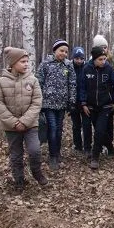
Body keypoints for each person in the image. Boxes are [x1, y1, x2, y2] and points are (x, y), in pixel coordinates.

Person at [0, 47, 48, 194]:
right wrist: (14, 122)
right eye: (22, 61)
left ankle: (37, 173)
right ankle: (19, 181)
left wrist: (24, 121)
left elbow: (37, 102)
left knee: (35, 150)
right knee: (16, 155)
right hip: (11, 127)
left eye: (27, 61)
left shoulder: (33, 80)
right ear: (13, 63)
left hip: (30, 125)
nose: (26, 64)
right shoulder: (1, 82)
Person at [80, 46, 114, 169]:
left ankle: (95, 157)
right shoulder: (86, 69)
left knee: (99, 131)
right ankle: (110, 148)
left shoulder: (109, 69)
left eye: (104, 59)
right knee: (100, 131)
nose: (103, 62)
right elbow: (82, 87)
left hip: (105, 106)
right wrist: (83, 103)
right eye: (100, 59)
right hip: (91, 107)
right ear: (94, 59)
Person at [37, 39, 76, 170]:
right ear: (55, 51)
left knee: (59, 130)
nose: (64, 53)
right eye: (61, 51)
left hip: (62, 104)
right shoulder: (45, 64)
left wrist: (72, 101)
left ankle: (57, 153)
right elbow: (39, 83)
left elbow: (72, 84)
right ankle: (52, 156)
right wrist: (39, 102)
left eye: (66, 51)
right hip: (48, 104)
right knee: (52, 129)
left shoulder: (68, 65)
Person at [93, 34, 114, 153]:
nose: (104, 50)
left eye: (105, 47)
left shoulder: (112, 62)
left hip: (109, 99)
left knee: (109, 124)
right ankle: (101, 145)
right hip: (96, 100)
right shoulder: (91, 64)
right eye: (101, 47)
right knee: (99, 126)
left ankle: (109, 145)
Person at [70, 47, 92, 156]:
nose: (79, 61)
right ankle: (78, 146)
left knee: (87, 125)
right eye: (77, 58)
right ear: (73, 57)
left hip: (85, 102)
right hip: (73, 102)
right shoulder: (69, 67)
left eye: (81, 58)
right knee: (76, 125)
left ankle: (88, 147)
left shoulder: (87, 67)